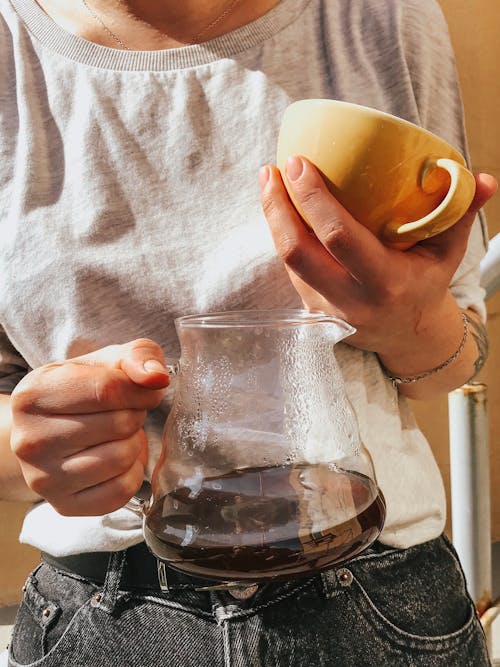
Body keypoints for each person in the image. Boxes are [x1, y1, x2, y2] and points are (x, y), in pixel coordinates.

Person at [0, 0, 497, 665]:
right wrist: (26, 445)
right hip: (100, 613)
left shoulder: (384, 15)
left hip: (376, 597)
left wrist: (405, 320)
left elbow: (456, 355)